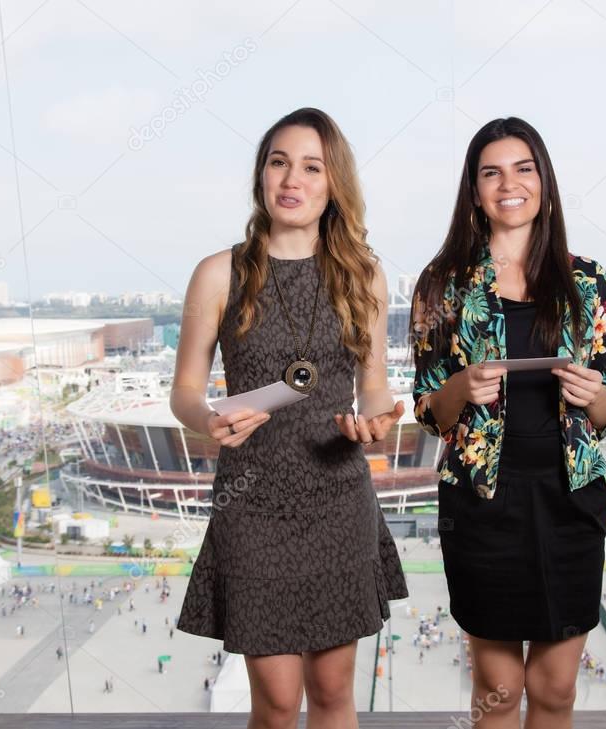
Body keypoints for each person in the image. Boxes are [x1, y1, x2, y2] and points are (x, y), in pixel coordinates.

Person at [172, 107, 409, 728]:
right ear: (261, 176)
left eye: (311, 166)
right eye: (279, 162)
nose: (291, 179)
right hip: (253, 506)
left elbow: (374, 387)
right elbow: (185, 392)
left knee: (333, 698)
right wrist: (208, 419)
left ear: (334, 185)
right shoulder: (218, 273)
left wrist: (379, 421)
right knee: (275, 706)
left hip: (338, 501)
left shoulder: (364, 275)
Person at [410, 117, 606, 729]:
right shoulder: (444, 285)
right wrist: (460, 386)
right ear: (474, 192)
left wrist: (593, 396)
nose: (510, 183)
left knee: (555, 689)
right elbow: (429, 411)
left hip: (571, 499)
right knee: (499, 690)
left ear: (545, 183)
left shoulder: (588, 282)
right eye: (491, 172)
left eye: (524, 168)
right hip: (482, 503)